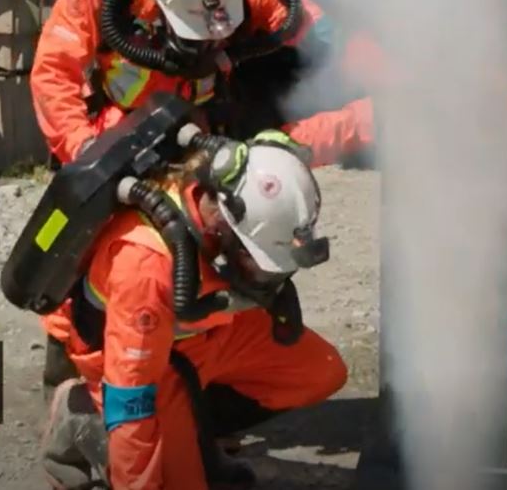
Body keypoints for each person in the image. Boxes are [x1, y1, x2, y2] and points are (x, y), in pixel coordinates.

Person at [38, 129, 345, 490]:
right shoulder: (147, 269)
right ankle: (82, 419)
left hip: (202, 335)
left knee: (319, 372)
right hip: (140, 359)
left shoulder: (216, 214)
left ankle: (193, 436)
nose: (261, 275)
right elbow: (131, 400)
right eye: (255, 261)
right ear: (225, 225)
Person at [31, 0, 373, 169]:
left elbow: (321, 31)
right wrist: (85, 149)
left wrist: (392, 75)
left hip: (203, 121)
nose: (206, 42)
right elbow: (54, 70)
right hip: (122, 124)